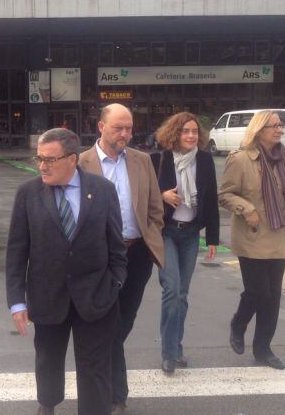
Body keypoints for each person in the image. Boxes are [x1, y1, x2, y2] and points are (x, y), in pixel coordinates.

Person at [6, 128, 127, 415]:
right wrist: (17, 300)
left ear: (72, 159)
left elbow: (116, 246)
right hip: (47, 297)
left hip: (96, 297)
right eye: (39, 159)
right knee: (47, 362)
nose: (42, 166)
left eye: (50, 159)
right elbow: (16, 251)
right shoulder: (28, 194)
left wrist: (115, 284)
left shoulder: (102, 190)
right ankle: (47, 404)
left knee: (95, 369)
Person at [77, 103, 164, 413]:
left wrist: (151, 233)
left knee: (122, 323)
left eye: (129, 127)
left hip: (137, 254)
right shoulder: (81, 163)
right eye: (118, 128)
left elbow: (155, 208)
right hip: (99, 257)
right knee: (106, 325)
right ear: (101, 127)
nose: (125, 133)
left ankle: (111, 391)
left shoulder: (142, 161)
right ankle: (116, 395)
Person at [219, 110, 285, 370]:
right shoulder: (240, 159)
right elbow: (225, 194)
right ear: (259, 130)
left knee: (273, 296)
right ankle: (239, 323)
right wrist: (247, 210)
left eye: (280, 125)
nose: (279, 130)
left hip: (279, 233)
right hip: (252, 235)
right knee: (259, 292)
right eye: (273, 126)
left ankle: (263, 348)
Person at [150, 112, 219, 374]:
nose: (191, 136)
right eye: (185, 131)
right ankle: (169, 352)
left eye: (194, 131)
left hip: (190, 233)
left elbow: (210, 197)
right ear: (174, 134)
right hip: (166, 232)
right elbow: (142, 193)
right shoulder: (159, 159)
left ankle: (176, 345)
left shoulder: (204, 160)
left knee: (182, 294)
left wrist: (212, 237)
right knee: (172, 290)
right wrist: (161, 194)